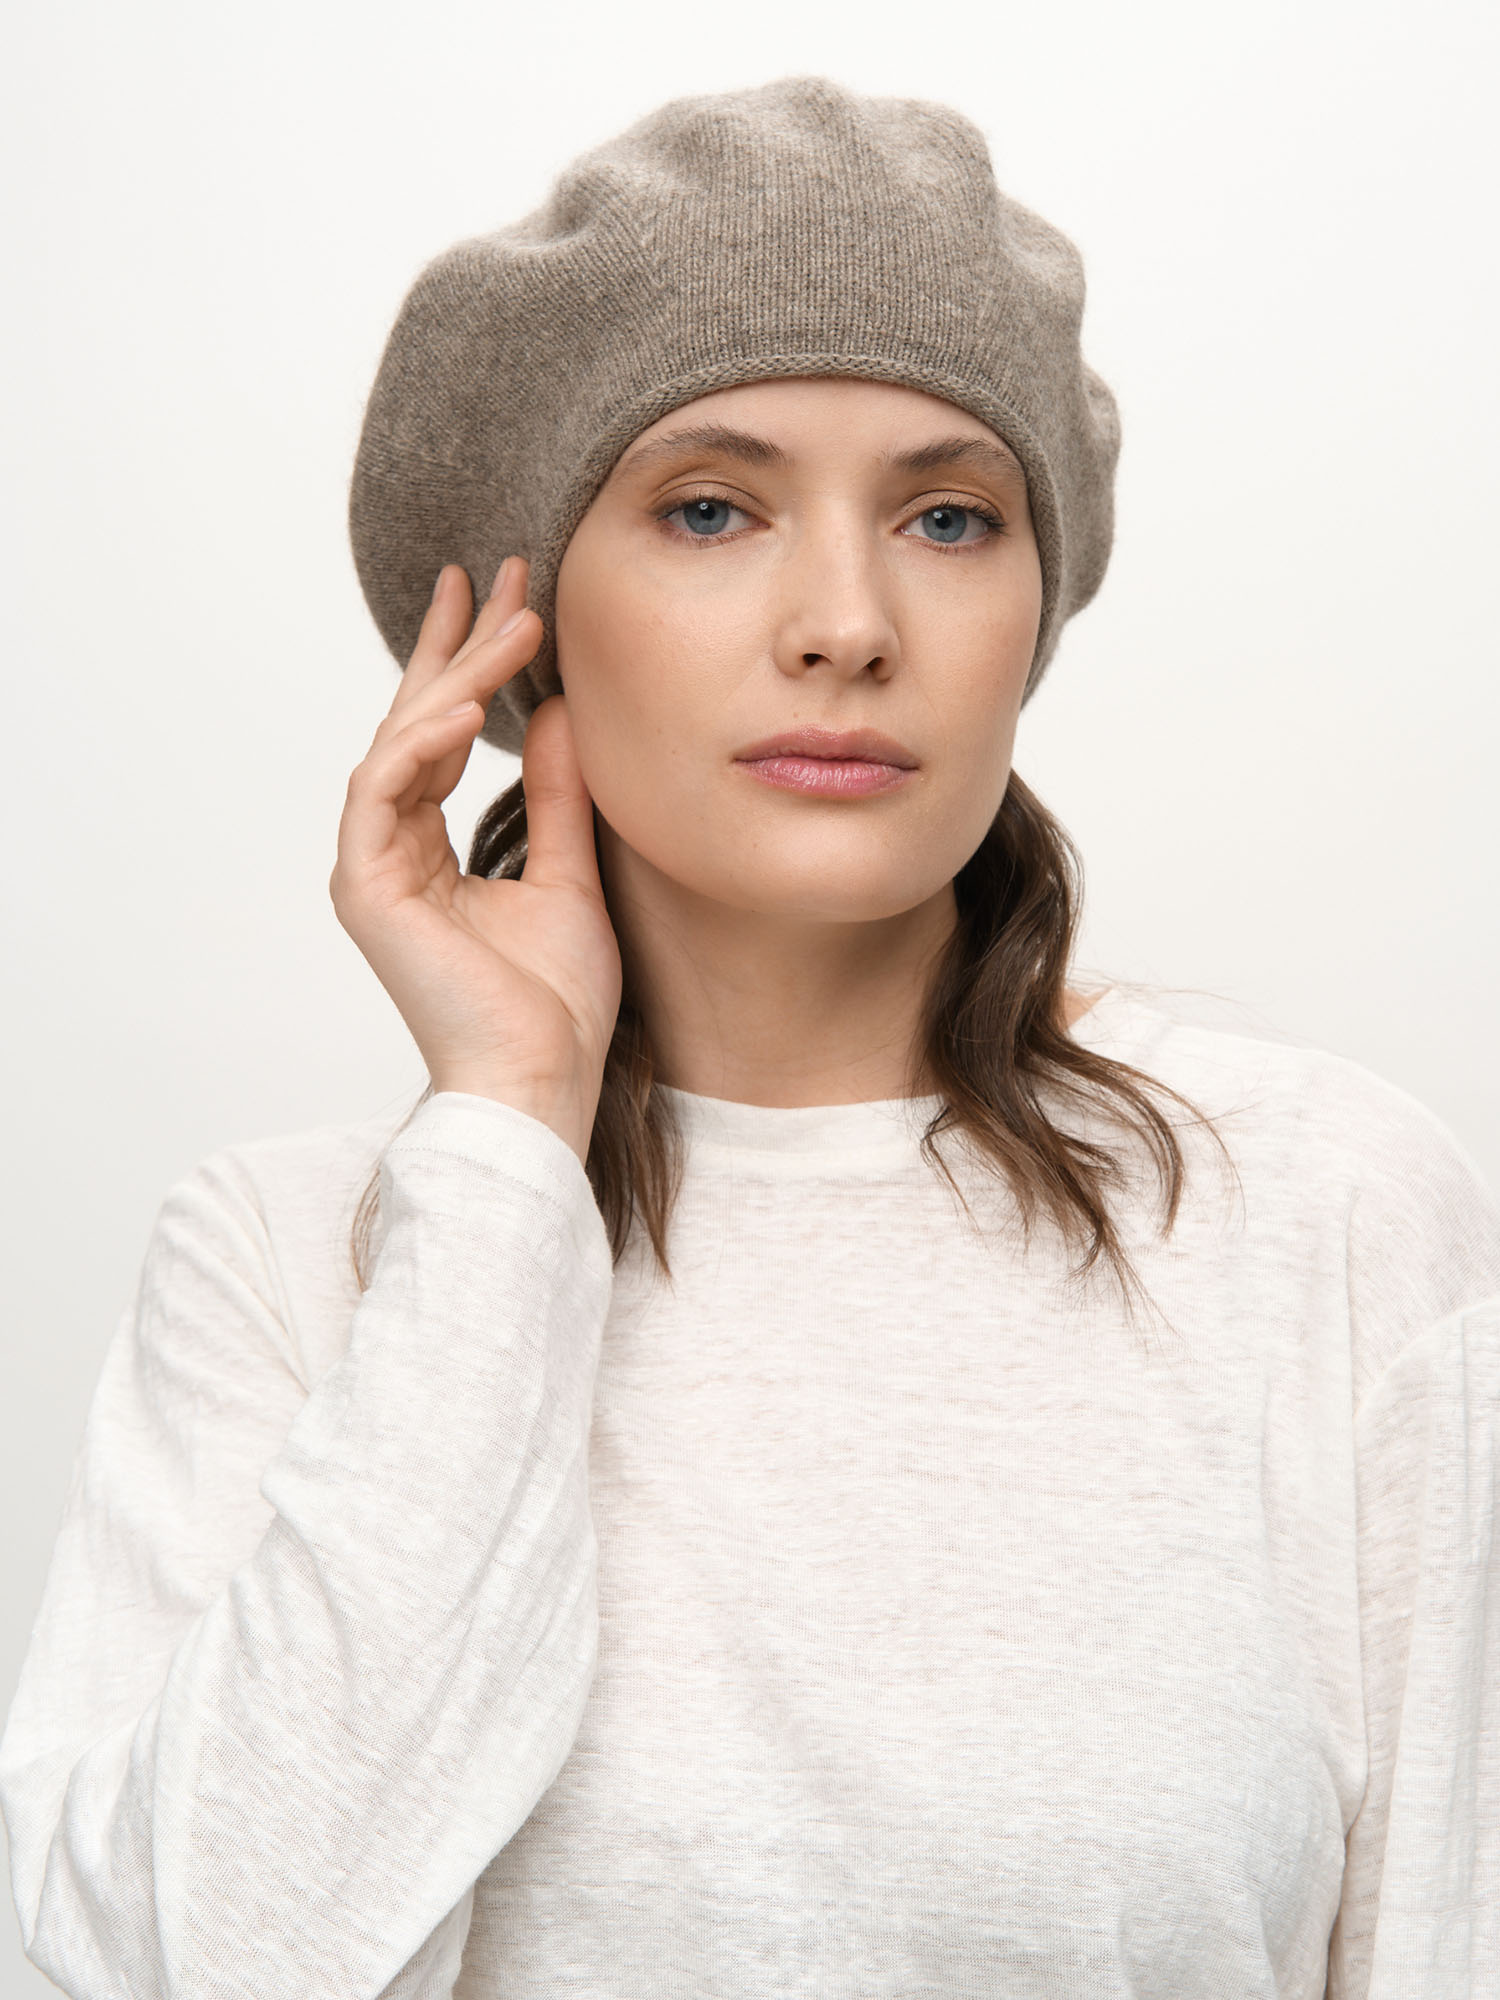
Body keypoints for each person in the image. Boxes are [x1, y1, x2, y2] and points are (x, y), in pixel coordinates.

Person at [2, 74, 1497, 2000]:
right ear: (527, 630)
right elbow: (177, 1966)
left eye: (950, 517)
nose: (848, 623)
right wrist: (506, 1145)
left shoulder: (1328, 1216)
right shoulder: (301, 1266)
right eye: (710, 508)